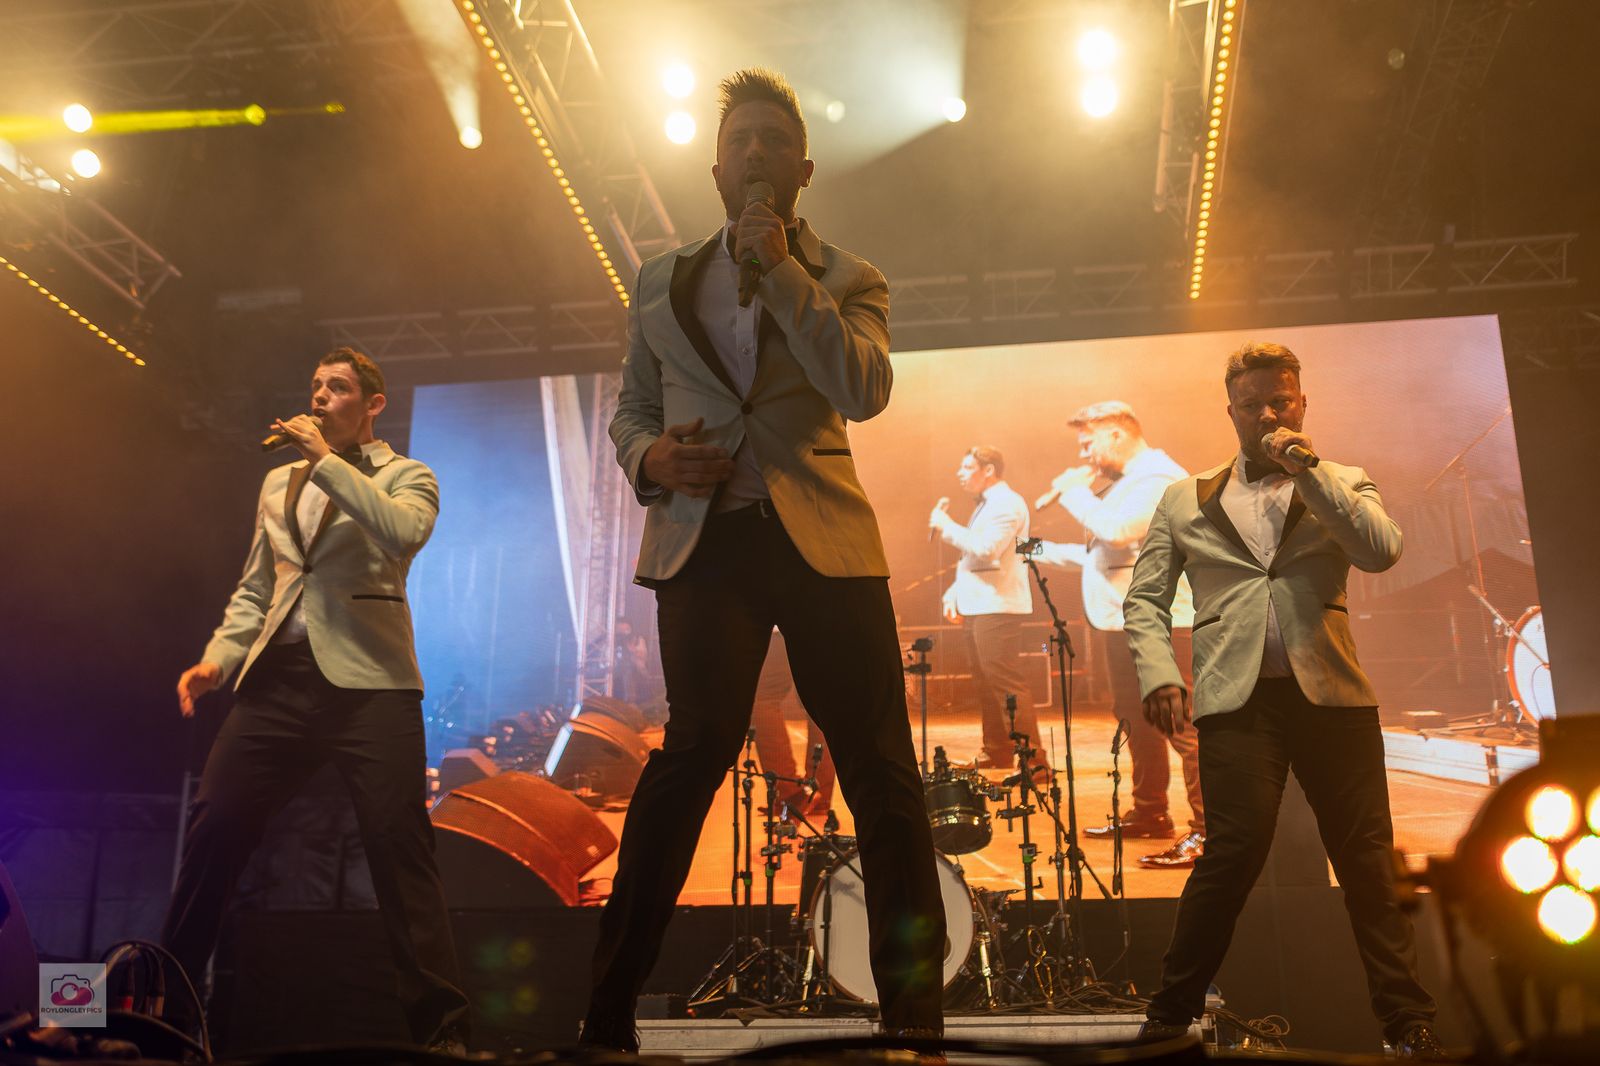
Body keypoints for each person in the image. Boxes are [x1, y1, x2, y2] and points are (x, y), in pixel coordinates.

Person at [581, 69, 944, 1050]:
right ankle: (606, 1014)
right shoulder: (660, 281)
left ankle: (916, 1023)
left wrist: (782, 273)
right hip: (708, 544)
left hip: (824, 543)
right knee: (691, 755)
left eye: (773, 141)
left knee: (881, 771)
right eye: (739, 140)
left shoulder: (849, 277)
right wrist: (649, 459)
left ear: (803, 170)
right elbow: (632, 408)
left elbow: (862, 389)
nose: (754, 153)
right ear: (714, 169)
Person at [1123, 342, 1442, 1056]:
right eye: (1252, 404)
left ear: (1301, 403)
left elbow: (1380, 550)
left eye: (1280, 401)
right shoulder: (1184, 497)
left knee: (1366, 859)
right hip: (1238, 704)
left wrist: (1309, 469)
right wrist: (1159, 674)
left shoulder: (1342, 479)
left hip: (1333, 696)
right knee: (1232, 854)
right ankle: (1170, 1012)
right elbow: (1144, 599)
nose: (1267, 415)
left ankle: (1408, 1022)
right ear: (1230, 411)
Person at [164, 348, 469, 1054]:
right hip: (279, 682)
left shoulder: (407, 475)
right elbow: (258, 587)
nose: (322, 396)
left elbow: (403, 533)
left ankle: (443, 1034)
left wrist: (326, 461)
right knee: (214, 827)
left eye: (338, 387)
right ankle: (168, 1011)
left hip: (372, 686)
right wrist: (218, 659)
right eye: (316, 386)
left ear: (373, 404)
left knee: (399, 849)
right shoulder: (279, 481)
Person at [1032, 402, 1205, 868]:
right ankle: (1150, 813)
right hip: (1124, 623)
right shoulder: (1128, 482)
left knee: (1181, 724)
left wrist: (1073, 492)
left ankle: (1210, 831)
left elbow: (1117, 532)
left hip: (1163, 623)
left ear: (1116, 435)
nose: (1084, 454)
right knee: (1137, 719)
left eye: (1088, 443)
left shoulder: (1156, 478)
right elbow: (1105, 557)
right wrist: (1036, 548)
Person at [929, 446, 1046, 774]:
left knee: (1006, 683)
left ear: (989, 470)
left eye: (967, 467)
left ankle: (1035, 761)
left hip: (999, 605)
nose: (960, 473)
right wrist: (954, 592)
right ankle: (997, 751)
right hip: (981, 604)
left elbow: (986, 549)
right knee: (985, 683)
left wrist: (946, 525)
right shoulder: (988, 505)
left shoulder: (1006, 503)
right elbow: (972, 560)